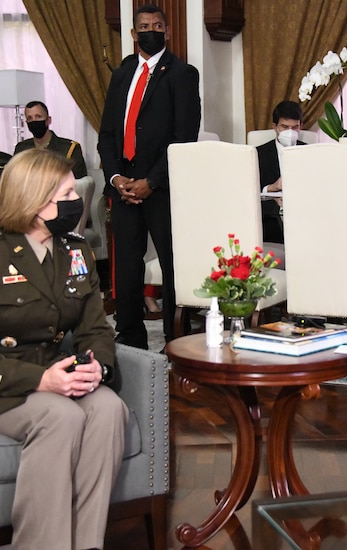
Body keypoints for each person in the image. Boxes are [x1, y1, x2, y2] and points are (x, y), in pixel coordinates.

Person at [0, 149, 127, 550]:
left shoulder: (75, 251)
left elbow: (96, 328)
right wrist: (41, 380)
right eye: (65, 193)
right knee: (59, 416)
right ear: (35, 201)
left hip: (53, 374)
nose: (75, 201)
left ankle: (86, 544)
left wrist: (99, 369)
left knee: (109, 406)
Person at [98, 3, 201, 348]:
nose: (150, 31)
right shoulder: (122, 73)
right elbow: (108, 135)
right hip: (123, 186)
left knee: (173, 268)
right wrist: (115, 178)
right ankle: (129, 340)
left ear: (167, 32)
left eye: (157, 25)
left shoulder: (182, 74)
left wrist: (151, 181)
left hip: (163, 188)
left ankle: (177, 340)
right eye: (143, 26)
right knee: (127, 269)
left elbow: (183, 136)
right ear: (133, 33)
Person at [256, 100, 306, 244]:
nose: (290, 132)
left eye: (294, 127)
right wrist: (273, 187)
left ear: (301, 126)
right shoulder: (258, 154)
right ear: (275, 127)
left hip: (304, 217)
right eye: (285, 127)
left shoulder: (310, 152)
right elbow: (248, 192)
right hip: (270, 221)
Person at [14, 100, 88, 179]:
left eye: (38, 116)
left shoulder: (69, 149)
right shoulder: (21, 149)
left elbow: (80, 184)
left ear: (48, 120)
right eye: (30, 118)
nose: (34, 121)